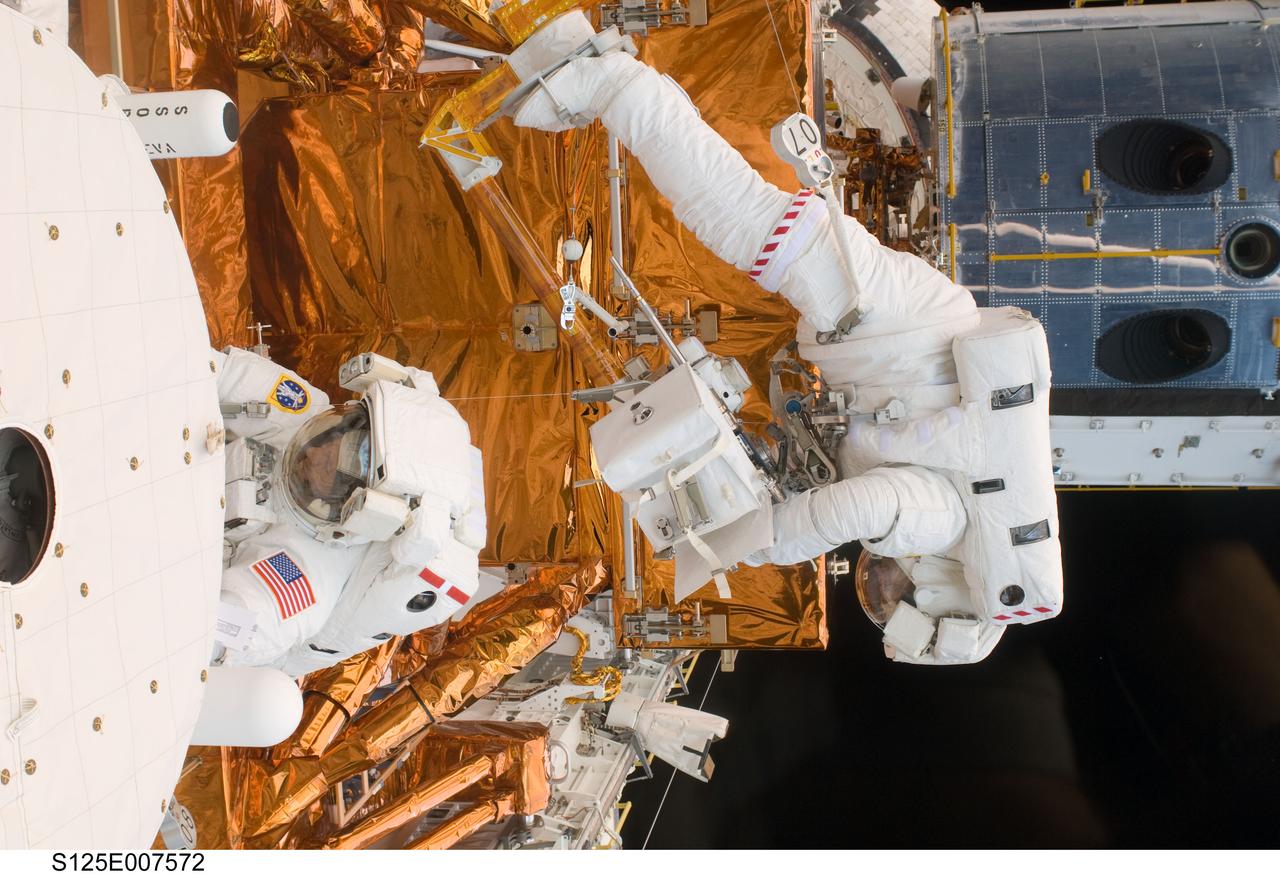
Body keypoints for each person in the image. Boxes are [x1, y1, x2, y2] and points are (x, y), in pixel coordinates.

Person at [506, 12, 1062, 665]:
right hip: (885, 319)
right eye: (895, 595)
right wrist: (761, 543)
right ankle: (607, 82)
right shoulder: (942, 525)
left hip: (887, 321)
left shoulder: (951, 517)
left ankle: (608, 77)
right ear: (939, 596)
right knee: (734, 216)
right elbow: (858, 507)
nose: (882, 583)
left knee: (737, 215)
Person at [212, 345, 486, 676]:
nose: (316, 454)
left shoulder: (305, 575)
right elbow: (220, 373)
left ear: (363, 509)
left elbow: (229, 628)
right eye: (338, 436)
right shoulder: (307, 417)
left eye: (331, 467)